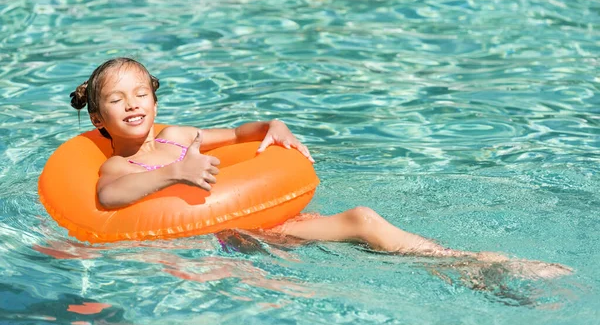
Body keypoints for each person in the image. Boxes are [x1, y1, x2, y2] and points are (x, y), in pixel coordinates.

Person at [69, 57, 571, 279]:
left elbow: (243, 132)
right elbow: (111, 198)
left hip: (259, 224)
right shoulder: (119, 162)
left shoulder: (180, 137)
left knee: (364, 218)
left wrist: (276, 125)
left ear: (155, 100)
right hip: (211, 244)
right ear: (98, 118)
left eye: (141, 94)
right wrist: (174, 175)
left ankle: (474, 261)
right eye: (116, 100)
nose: (132, 104)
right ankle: (460, 271)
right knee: (285, 282)